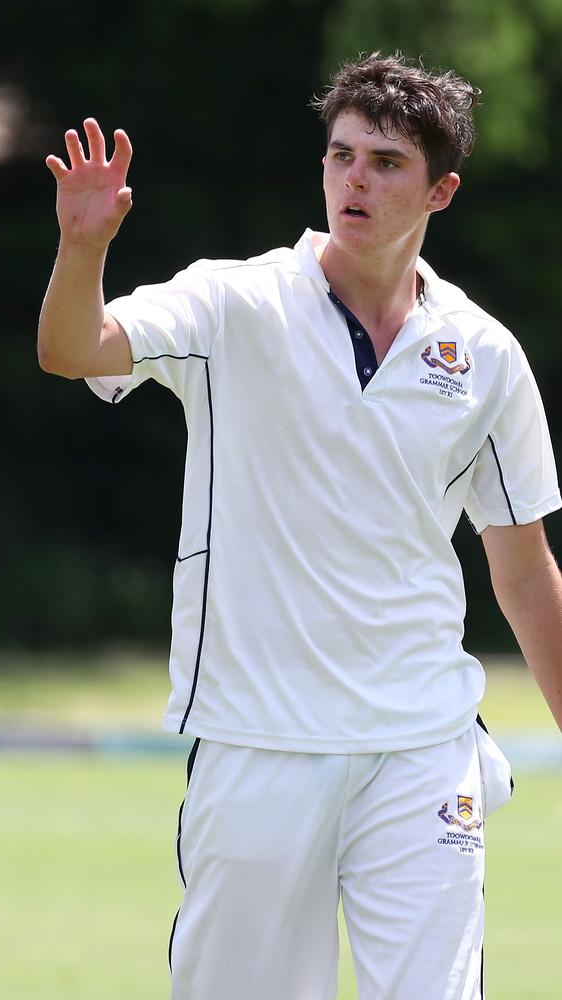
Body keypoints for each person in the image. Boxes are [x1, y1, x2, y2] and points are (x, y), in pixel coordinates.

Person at [37, 52, 562, 1000]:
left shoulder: (483, 354)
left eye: (386, 162)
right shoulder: (235, 300)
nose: (354, 179)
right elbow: (74, 349)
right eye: (341, 155)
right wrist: (83, 250)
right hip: (256, 741)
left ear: (441, 190)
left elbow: (524, 573)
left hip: (422, 746)